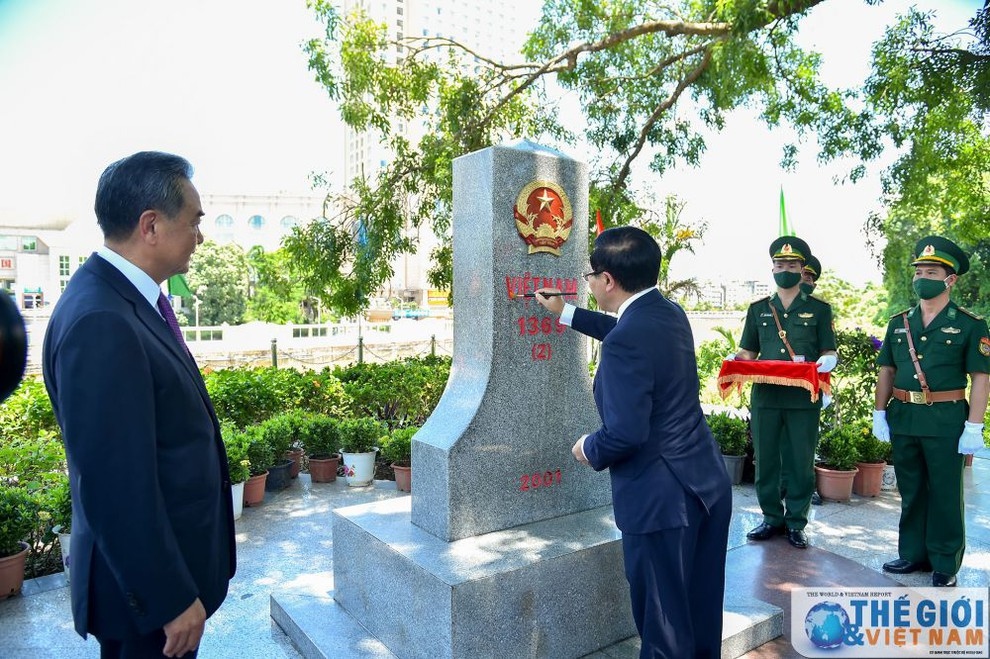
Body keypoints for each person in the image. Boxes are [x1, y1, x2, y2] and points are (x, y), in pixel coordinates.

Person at [42, 152, 236, 658]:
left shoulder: (128, 300)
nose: (200, 235)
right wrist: (168, 597)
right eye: (194, 221)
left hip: (160, 587)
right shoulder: (101, 320)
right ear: (151, 225)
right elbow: (113, 483)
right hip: (147, 606)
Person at [535, 226, 732, 659]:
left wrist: (588, 447)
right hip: (705, 485)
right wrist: (566, 312)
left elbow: (625, 434)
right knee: (698, 612)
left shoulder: (629, 337)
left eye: (590, 274)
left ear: (608, 280)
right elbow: (624, 329)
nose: (588, 282)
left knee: (663, 627)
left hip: (660, 501)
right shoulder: (667, 313)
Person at [873, 235, 989, 588]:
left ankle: (944, 561)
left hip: (946, 420)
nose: (922, 276)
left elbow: (981, 377)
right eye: (919, 270)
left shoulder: (970, 324)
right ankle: (912, 554)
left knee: (944, 493)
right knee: (911, 490)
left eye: (932, 271)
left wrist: (974, 425)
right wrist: (879, 412)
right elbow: (887, 371)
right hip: (904, 416)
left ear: (950, 279)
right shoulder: (899, 323)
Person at [731, 236, 837, 549]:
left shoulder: (819, 310)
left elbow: (828, 350)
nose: (785, 270)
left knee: (800, 460)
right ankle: (771, 518)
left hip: (803, 398)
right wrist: (735, 362)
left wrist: (828, 361)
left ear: (802, 269)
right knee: (766, 460)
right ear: (773, 269)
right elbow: (747, 352)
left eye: (792, 265)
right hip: (766, 396)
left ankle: (796, 522)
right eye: (780, 265)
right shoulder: (759, 309)